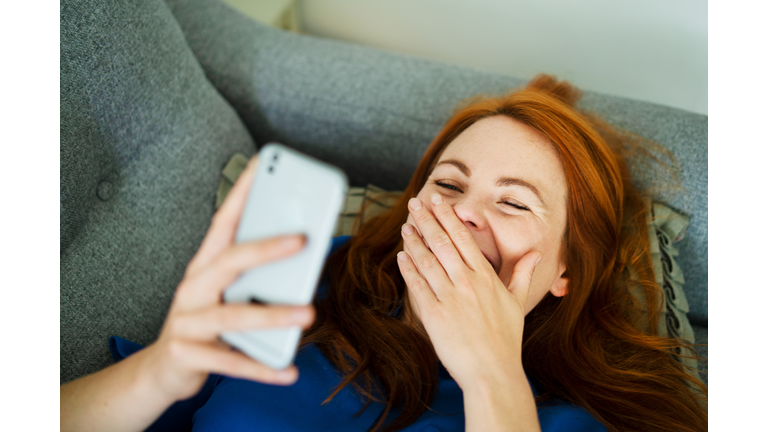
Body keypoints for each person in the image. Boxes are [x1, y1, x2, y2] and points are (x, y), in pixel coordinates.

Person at [60, 75, 707, 432]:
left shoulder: (567, 422)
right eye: (448, 185)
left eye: (513, 204)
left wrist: (491, 377)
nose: (463, 215)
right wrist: (163, 371)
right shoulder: (301, 293)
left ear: (565, 271)